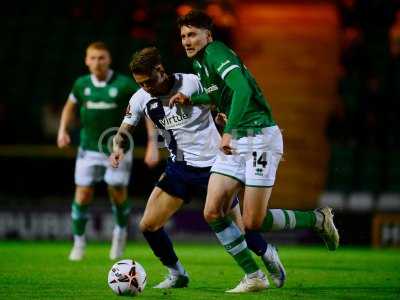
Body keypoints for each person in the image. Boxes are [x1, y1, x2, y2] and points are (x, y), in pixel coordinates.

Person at [170, 10, 339, 293]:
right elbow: (218, 93)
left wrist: (228, 130)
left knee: (253, 222)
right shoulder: (201, 63)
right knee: (212, 212)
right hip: (236, 143)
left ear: (207, 36)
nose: (187, 41)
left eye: (192, 35)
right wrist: (192, 99)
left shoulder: (215, 52)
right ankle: (253, 276)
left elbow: (242, 90)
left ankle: (317, 219)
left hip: (259, 137)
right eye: (183, 36)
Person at [110, 46, 287, 289]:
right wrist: (118, 148)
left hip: (215, 164)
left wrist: (223, 118)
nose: (146, 87)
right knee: (148, 225)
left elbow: (221, 99)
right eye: (140, 83)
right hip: (179, 168)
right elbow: (124, 129)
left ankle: (267, 253)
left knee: (242, 228)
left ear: (160, 70)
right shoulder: (141, 98)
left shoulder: (193, 82)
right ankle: (177, 274)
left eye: (149, 81)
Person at [57, 41, 158, 261]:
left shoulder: (123, 84)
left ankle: (119, 234)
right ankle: (79, 243)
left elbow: (146, 107)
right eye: (92, 58)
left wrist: (152, 143)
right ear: (86, 60)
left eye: (101, 57)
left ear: (108, 59)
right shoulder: (81, 84)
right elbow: (69, 106)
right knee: (82, 194)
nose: (97, 62)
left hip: (118, 148)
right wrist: (63, 130)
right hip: (88, 147)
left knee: (117, 193)